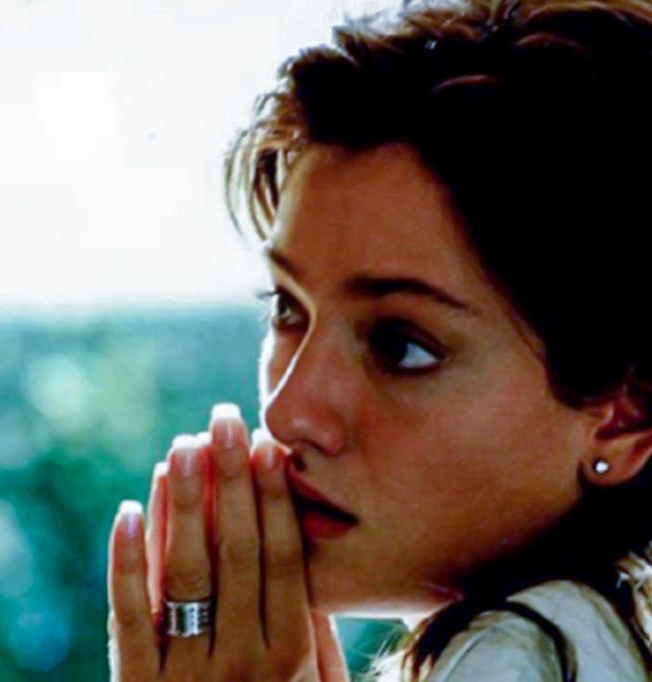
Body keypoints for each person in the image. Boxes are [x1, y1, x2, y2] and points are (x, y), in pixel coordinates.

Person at [107, 0, 652, 680]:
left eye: (401, 346)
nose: (288, 411)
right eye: (287, 307)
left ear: (625, 417)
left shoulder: (529, 656)